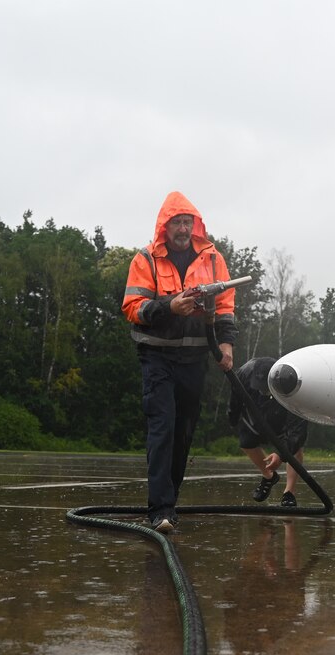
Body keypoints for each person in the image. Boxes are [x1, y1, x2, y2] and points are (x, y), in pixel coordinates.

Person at [121, 191, 238, 532]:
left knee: (184, 432)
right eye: (177, 223)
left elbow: (227, 305)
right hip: (156, 357)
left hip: (194, 359)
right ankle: (160, 509)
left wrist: (226, 345)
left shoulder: (213, 259)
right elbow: (133, 308)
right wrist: (169, 307)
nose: (183, 228)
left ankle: (169, 504)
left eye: (188, 222)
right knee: (163, 428)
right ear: (165, 226)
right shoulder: (146, 259)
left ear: (195, 225)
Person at [229, 356, 309, 507]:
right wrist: (232, 416)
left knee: (296, 448)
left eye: (265, 387)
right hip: (257, 411)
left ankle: (289, 493)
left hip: (283, 413)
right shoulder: (243, 374)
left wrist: (280, 454)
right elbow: (235, 397)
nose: (262, 390)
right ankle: (269, 476)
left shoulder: (293, 384)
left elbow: (297, 432)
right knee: (246, 442)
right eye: (259, 386)